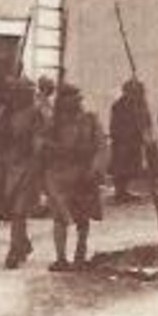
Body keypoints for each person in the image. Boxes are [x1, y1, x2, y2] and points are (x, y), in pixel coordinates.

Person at [40, 84, 109, 270]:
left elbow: (101, 145)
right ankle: (61, 258)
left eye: (76, 98)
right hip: (59, 174)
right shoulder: (52, 123)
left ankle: (80, 254)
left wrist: (95, 169)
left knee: (83, 217)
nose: (74, 102)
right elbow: (40, 146)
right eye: (69, 98)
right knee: (59, 217)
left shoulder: (90, 120)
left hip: (83, 173)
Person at [0, 77, 46, 268]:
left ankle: (14, 250)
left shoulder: (36, 113)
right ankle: (23, 243)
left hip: (27, 166)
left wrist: (38, 160)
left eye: (26, 93)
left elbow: (40, 139)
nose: (22, 96)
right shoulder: (3, 112)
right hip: (5, 167)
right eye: (18, 93)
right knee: (10, 209)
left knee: (19, 210)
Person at [108, 78, 155, 204]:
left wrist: (146, 135)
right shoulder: (119, 105)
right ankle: (120, 192)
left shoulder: (140, 104)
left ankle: (124, 190)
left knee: (131, 166)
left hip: (134, 141)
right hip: (123, 141)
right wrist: (121, 136)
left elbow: (146, 120)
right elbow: (116, 124)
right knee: (120, 167)